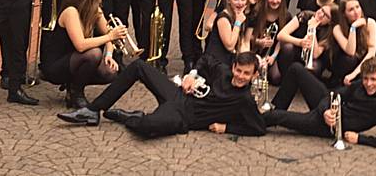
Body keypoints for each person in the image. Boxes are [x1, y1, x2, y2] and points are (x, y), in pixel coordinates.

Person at [56, 52, 266, 138]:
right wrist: (192, 75)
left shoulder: (244, 99)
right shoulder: (223, 71)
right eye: (239, 70)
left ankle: (131, 117)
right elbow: (205, 59)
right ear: (234, 66)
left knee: (147, 128)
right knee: (139, 66)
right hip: (178, 94)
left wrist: (226, 127)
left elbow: (258, 128)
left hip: (184, 118)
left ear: (254, 75)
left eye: (246, 73)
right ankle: (93, 110)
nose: (240, 76)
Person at [264, 56, 376, 148]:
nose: (368, 84)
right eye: (366, 78)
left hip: (326, 127)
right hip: (327, 111)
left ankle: (250, 122)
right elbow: (336, 94)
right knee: (296, 69)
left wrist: (359, 139)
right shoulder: (360, 85)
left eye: (373, 79)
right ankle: (276, 107)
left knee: (276, 117)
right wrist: (325, 110)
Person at [39, 0, 126, 108]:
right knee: (94, 54)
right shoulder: (71, 12)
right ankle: (77, 93)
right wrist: (110, 37)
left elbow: (107, 34)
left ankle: (73, 84)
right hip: (56, 63)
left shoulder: (96, 10)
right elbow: (80, 45)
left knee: (110, 72)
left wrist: (109, 54)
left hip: (75, 59)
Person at [245, 0, 292, 84]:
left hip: (272, 53)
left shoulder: (286, 15)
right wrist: (258, 41)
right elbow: (246, 36)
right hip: (254, 49)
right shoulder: (257, 12)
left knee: (275, 78)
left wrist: (273, 56)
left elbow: (282, 40)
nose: (275, 1)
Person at [276, 4, 336, 79]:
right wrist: (300, 42)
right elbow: (280, 35)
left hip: (313, 59)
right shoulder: (305, 15)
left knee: (315, 67)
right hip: (296, 51)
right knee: (287, 49)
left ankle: (303, 85)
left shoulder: (329, 32)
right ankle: (287, 80)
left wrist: (313, 29)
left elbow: (315, 54)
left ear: (330, 21)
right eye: (321, 10)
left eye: (326, 15)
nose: (320, 14)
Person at [329, 0, 376, 88]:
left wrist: (354, 74)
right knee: (351, 59)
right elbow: (350, 51)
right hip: (344, 63)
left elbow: (372, 53)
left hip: (361, 63)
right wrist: (353, 28)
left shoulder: (371, 23)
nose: (356, 12)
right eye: (351, 10)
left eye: (357, 7)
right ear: (344, 14)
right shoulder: (337, 28)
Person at [204, 0, 248, 66]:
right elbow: (230, 46)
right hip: (216, 63)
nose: (240, 3)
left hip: (228, 60)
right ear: (228, 0)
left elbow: (241, 42)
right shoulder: (223, 17)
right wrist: (238, 23)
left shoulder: (239, 15)